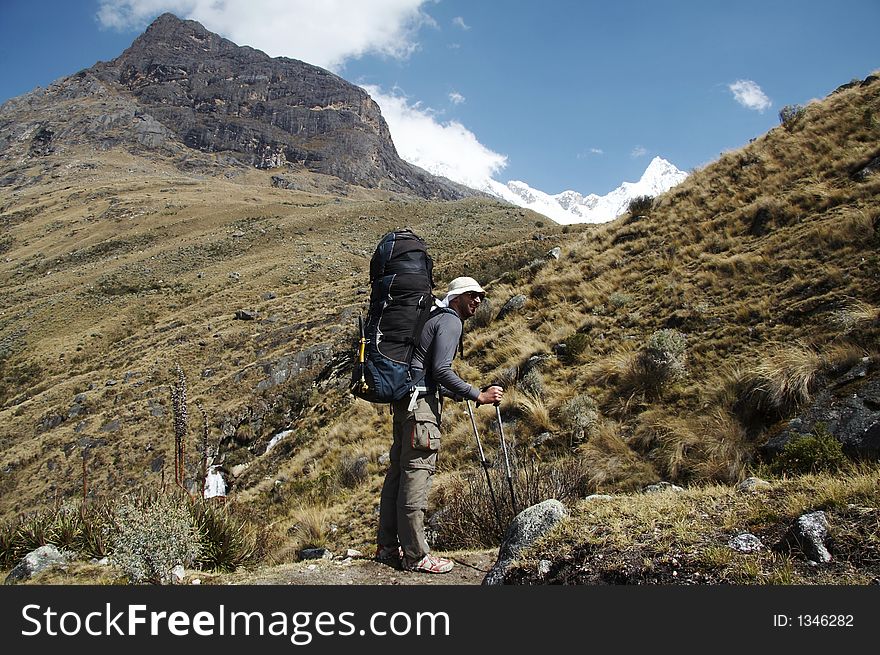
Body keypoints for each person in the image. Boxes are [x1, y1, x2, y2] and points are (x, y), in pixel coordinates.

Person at [375, 276, 504, 573]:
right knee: (416, 477)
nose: (477, 301)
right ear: (456, 298)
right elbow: (442, 370)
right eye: (472, 296)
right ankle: (416, 555)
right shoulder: (450, 321)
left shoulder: (430, 317)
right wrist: (478, 395)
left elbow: (427, 372)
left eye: (481, 297)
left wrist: (458, 394)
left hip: (405, 404)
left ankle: (386, 547)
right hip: (422, 412)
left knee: (396, 474)